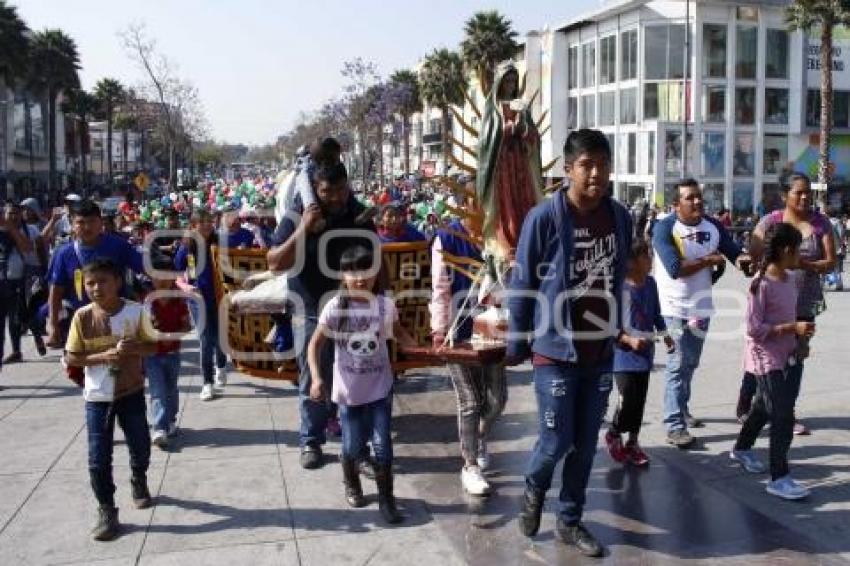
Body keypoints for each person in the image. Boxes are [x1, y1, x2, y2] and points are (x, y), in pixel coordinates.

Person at [507, 129, 634, 558]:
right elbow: (522, 280)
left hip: (599, 352)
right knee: (555, 441)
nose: (596, 173)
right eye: (586, 165)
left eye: (603, 163)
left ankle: (570, 520)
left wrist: (620, 327)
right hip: (554, 351)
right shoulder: (545, 217)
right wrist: (516, 341)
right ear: (568, 169)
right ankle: (533, 488)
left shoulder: (619, 216)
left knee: (583, 446)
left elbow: (618, 279)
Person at [267, 162, 376, 470]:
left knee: (358, 378)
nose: (336, 197)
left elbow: (376, 259)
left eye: (341, 190)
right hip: (309, 307)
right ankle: (311, 441)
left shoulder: (358, 213)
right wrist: (304, 227)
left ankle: (358, 448)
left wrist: (382, 299)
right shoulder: (297, 213)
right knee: (311, 379)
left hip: (354, 309)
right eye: (327, 191)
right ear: (315, 189)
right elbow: (275, 262)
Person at [308, 245, 415, 524]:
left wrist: (427, 352)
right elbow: (314, 345)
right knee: (352, 447)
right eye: (352, 272)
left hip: (380, 389)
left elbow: (400, 336)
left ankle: (387, 499)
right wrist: (317, 378)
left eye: (366, 271)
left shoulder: (384, 306)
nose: (359, 278)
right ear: (343, 275)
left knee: (383, 447)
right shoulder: (334, 308)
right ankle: (351, 482)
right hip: (349, 393)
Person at [64, 258, 158, 541]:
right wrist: (102, 357)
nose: (96, 288)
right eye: (90, 283)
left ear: (117, 282)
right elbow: (72, 357)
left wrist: (136, 348)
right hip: (97, 398)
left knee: (140, 444)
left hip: (130, 392)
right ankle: (106, 508)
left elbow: (153, 347)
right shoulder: (82, 317)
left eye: (102, 281)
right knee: (98, 458)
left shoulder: (135, 312)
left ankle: (138, 478)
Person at [735, 173, 835, 435]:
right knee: (764, 356)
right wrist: (748, 258)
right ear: (784, 195)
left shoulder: (820, 222)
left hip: (804, 302)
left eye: (808, 192)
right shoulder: (772, 221)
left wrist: (806, 265)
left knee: (795, 356)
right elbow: (754, 249)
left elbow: (831, 261)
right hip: (773, 302)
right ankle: (747, 402)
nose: (804, 197)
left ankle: (786, 412)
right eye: (798, 192)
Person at [652, 179, 749, 449]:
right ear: (676, 204)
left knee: (690, 363)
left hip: (701, 307)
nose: (697, 202)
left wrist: (743, 260)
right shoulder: (664, 228)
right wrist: (708, 260)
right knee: (677, 364)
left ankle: (681, 409)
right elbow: (674, 267)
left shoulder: (713, 225)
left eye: (699, 197)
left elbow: (732, 250)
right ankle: (674, 425)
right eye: (690, 198)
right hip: (672, 308)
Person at [430, 177, 507, 496]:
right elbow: (440, 288)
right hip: (457, 334)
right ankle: (470, 464)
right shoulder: (447, 238)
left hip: (494, 331)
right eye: (473, 199)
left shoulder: (502, 236)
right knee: (470, 401)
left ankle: (478, 437)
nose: (480, 206)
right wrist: (438, 329)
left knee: (497, 400)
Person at [730, 222, 814, 500]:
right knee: (782, 415)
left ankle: (741, 448)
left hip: (788, 355)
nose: (799, 255)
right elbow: (754, 330)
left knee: (764, 409)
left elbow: (790, 315)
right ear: (785, 250)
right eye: (797, 249)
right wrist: (792, 329)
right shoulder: (759, 285)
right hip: (765, 359)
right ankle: (779, 477)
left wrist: (800, 341)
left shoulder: (790, 278)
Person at [605, 240, 674, 467]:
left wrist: (665, 335)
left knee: (639, 401)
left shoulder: (651, 284)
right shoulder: (618, 289)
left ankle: (633, 442)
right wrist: (628, 340)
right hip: (622, 355)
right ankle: (614, 433)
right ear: (631, 262)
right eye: (646, 256)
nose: (651, 260)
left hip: (645, 354)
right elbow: (608, 325)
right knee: (627, 398)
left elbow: (655, 313)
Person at [45, 200, 144, 349]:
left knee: (121, 367)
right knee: (79, 366)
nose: (87, 227)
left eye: (92, 221)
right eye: (81, 222)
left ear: (101, 223)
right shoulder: (63, 253)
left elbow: (147, 270)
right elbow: (56, 291)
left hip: (118, 319)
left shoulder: (118, 245)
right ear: (72, 224)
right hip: (80, 320)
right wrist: (53, 326)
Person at [175, 209, 227, 401]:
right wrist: (185, 286)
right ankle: (207, 383)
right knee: (205, 340)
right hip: (198, 301)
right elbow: (178, 275)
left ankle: (221, 365)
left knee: (220, 338)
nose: (206, 225)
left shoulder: (220, 243)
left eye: (209, 221)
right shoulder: (185, 248)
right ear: (193, 226)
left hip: (220, 299)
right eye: (202, 222)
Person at [144, 254, 191, 448]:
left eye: (165, 276)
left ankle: (170, 418)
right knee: (158, 390)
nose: (161, 280)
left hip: (172, 352)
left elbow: (187, 326)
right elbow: (142, 327)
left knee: (171, 388)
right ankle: (159, 427)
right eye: (157, 276)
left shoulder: (178, 301)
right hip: (152, 354)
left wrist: (173, 334)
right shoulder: (148, 301)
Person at [0, 203, 35, 371]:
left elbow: (28, 248)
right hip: (2, 283)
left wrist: (11, 229)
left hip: (16, 283)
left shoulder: (20, 232)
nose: (13, 217)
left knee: (16, 320)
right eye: (9, 214)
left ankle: (16, 350)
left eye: (16, 214)